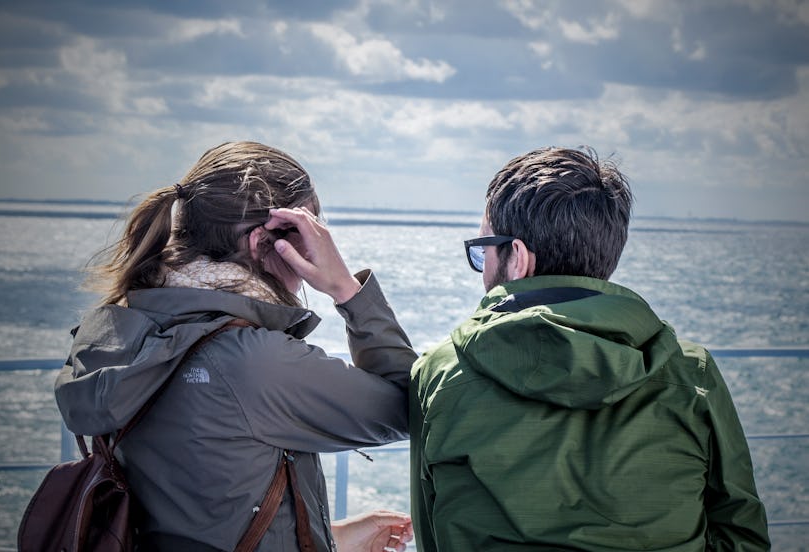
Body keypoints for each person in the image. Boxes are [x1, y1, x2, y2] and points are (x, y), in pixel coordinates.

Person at [54, 141, 415, 551]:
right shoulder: (252, 360)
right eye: (309, 235)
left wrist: (333, 537)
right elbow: (408, 406)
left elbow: (196, 519)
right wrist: (346, 288)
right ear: (266, 240)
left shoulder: (118, 337)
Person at [409, 147, 770, 551]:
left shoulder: (440, 373)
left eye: (484, 250)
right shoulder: (690, 372)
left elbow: (432, 533)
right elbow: (742, 534)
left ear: (518, 259)